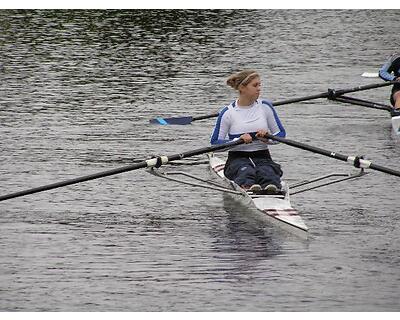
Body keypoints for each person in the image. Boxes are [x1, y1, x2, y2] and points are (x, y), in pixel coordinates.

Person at [210, 70, 285, 193]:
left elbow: (281, 134)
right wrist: (237, 141)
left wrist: (267, 138)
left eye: (260, 85)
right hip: (237, 159)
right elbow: (214, 144)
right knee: (246, 171)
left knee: (268, 173)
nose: (259, 89)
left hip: (263, 157)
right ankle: (248, 188)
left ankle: (272, 189)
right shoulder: (228, 113)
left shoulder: (265, 107)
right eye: (255, 85)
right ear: (242, 88)